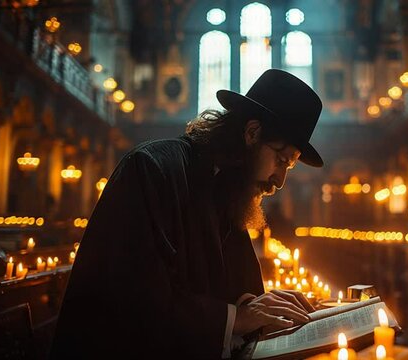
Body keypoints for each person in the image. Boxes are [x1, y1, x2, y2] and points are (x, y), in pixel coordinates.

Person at [50, 69, 324, 359]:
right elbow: (130, 302)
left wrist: (255, 305)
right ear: (252, 133)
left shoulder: (229, 188)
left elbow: (226, 280)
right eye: (281, 161)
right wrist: (238, 318)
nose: (279, 181)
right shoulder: (151, 169)